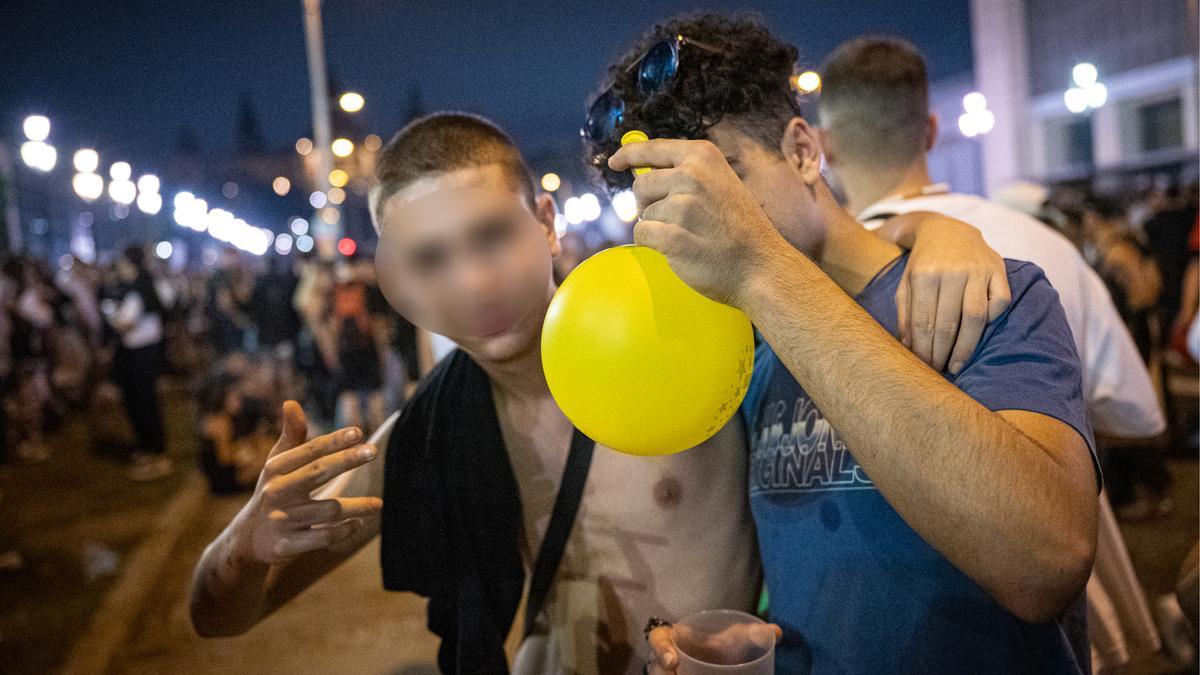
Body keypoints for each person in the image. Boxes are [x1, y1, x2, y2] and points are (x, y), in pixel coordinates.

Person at [190, 112, 1006, 674]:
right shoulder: (427, 433)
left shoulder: (683, 328)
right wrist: (243, 545)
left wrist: (934, 232)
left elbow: (816, 261)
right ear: (394, 277)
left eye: (491, 236)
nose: (474, 282)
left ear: (545, 222)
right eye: (432, 258)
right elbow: (219, 617)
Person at [587, 15, 1099, 673]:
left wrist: (763, 270)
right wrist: (766, 645)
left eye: (719, 184)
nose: (700, 227)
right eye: (667, 207)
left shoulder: (984, 293)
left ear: (802, 150)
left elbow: (1045, 562)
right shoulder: (751, 355)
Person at [106, 246, 172, 482]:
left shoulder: (138, 288)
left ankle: (156, 453)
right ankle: (149, 449)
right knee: (143, 403)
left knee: (145, 404)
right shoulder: (147, 285)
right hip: (144, 354)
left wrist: (112, 317)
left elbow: (126, 324)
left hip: (140, 355)